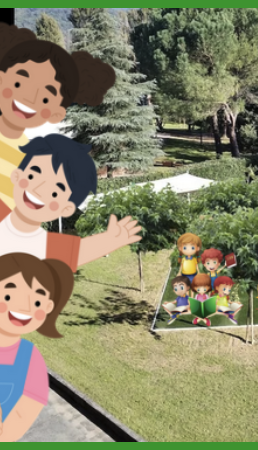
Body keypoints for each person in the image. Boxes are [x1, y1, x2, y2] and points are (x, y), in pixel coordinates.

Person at [0, 24, 115, 209]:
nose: (29, 98)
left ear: (56, 113)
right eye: (20, 83)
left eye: (45, 97)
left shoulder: (28, 151)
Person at [0, 135, 141, 272]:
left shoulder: (44, 245)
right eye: (33, 175)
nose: (38, 190)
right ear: (16, 176)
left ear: (66, 209)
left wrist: (110, 240)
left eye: (55, 192)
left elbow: (76, 252)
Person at [0, 253, 73, 442]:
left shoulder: (30, 360)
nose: (23, 307)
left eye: (36, 301)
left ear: (48, 307)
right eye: (9, 294)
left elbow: (19, 421)